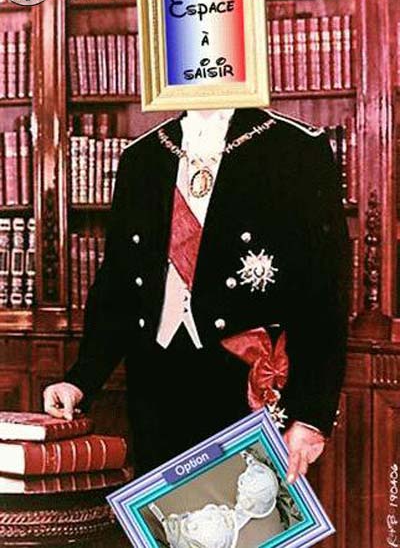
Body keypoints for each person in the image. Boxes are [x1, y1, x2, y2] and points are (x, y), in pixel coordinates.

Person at [43, 107, 350, 481]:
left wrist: (312, 415)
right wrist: (80, 380)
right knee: (167, 519)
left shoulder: (295, 147)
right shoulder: (142, 155)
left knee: (248, 515)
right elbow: (117, 288)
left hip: (244, 387)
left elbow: (324, 298)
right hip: (156, 385)